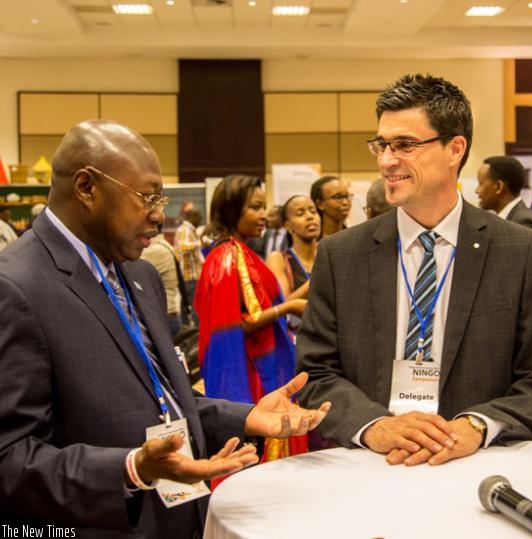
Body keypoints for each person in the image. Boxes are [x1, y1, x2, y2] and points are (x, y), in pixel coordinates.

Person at [0, 119, 330, 536]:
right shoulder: (15, 287)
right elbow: (9, 458)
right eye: (147, 197)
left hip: (181, 515)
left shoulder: (137, 274)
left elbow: (166, 400)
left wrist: (248, 417)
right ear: (86, 187)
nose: (160, 214)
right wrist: (129, 469)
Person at [297, 74, 532, 467]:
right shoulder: (342, 255)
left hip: (476, 468)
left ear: (454, 149)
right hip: (370, 469)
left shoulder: (518, 250)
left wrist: (476, 426)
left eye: (405, 145)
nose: (387, 160)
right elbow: (316, 372)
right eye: (382, 144)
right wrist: (373, 425)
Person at [195, 175, 309, 461]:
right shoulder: (230, 257)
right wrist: (290, 307)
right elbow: (242, 321)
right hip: (252, 372)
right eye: (255, 207)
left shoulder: (234, 253)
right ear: (232, 209)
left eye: (264, 207)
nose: (263, 215)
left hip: (256, 366)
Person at [475, 155, 532, 307]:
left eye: (481, 183)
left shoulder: (523, 222)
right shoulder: (509, 219)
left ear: (499, 187)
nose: (477, 191)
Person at [266, 195, 319, 303]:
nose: (310, 216)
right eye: (300, 213)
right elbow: (284, 306)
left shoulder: (328, 253)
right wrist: (320, 275)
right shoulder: (279, 259)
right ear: (287, 225)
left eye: (313, 211)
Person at [141, 231, 182, 335]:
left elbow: (130, 269)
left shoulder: (155, 250)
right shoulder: (163, 246)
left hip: (164, 316)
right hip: (169, 313)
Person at [173, 207, 204, 325]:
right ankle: (196, 335)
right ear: (193, 218)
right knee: (195, 305)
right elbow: (183, 247)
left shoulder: (189, 230)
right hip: (189, 276)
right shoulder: (185, 230)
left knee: (186, 305)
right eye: (199, 218)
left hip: (191, 276)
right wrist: (200, 242)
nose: (200, 221)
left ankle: (186, 330)